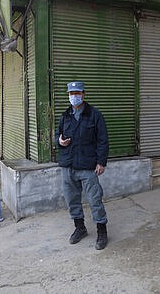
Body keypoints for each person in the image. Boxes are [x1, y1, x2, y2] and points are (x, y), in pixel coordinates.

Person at [55, 81, 110, 250]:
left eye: (77, 93)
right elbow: (57, 134)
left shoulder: (94, 114)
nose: (74, 97)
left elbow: (103, 140)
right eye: (71, 94)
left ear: (83, 94)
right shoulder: (65, 115)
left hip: (87, 166)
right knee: (71, 200)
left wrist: (101, 162)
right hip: (68, 165)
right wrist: (59, 141)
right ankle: (80, 228)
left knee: (95, 199)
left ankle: (102, 231)